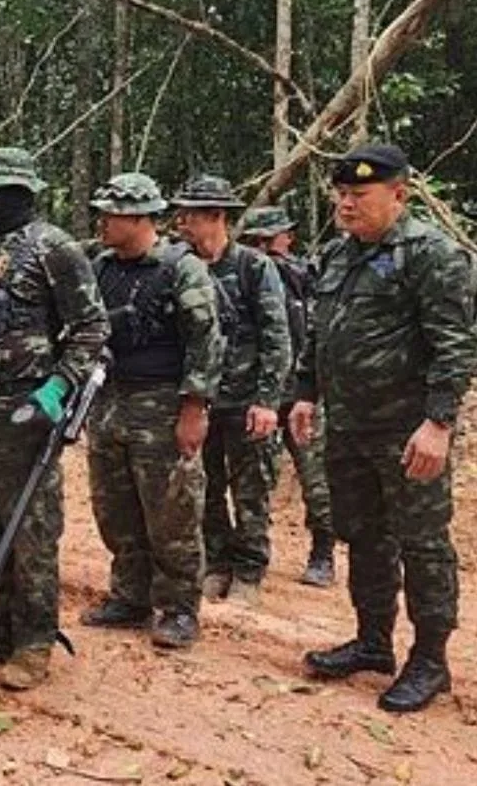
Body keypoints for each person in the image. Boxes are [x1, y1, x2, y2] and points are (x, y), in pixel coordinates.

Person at [292, 144, 477, 714]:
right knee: (363, 535)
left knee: (422, 545)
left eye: (359, 195)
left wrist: (439, 423)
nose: (346, 205)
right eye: (341, 195)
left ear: (398, 194)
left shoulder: (431, 255)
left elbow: (455, 344)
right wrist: (304, 393)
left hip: (407, 431)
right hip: (347, 428)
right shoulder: (337, 255)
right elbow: (321, 333)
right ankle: (373, 641)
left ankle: (429, 659)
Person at [0, 149, 108, 690]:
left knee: (30, 529)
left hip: (26, 408)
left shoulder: (53, 248)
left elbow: (90, 328)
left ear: (22, 194)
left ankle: (34, 640)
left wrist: (57, 389)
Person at [82, 174, 223, 649]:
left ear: (142, 217)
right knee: (114, 506)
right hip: (110, 401)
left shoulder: (181, 268)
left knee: (172, 511)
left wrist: (194, 408)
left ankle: (180, 607)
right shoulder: (100, 267)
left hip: (162, 404)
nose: (102, 222)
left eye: (112, 214)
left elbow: (205, 341)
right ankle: (130, 595)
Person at [171, 175, 291, 606]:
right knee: (205, 486)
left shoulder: (254, 268)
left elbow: (277, 337)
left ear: (217, 217)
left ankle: (249, 570)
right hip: (201, 400)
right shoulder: (181, 266)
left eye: (191, 215)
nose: (182, 222)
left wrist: (267, 401)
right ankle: (217, 563)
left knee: (251, 488)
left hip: (245, 399)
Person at [242, 205, 335, 587]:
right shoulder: (242, 275)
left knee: (315, 477)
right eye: (282, 234)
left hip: (299, 393)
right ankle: (248, 555)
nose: (289, 240)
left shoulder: (300, 274)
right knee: (254, 477)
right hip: (257, 390)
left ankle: (323, 553)